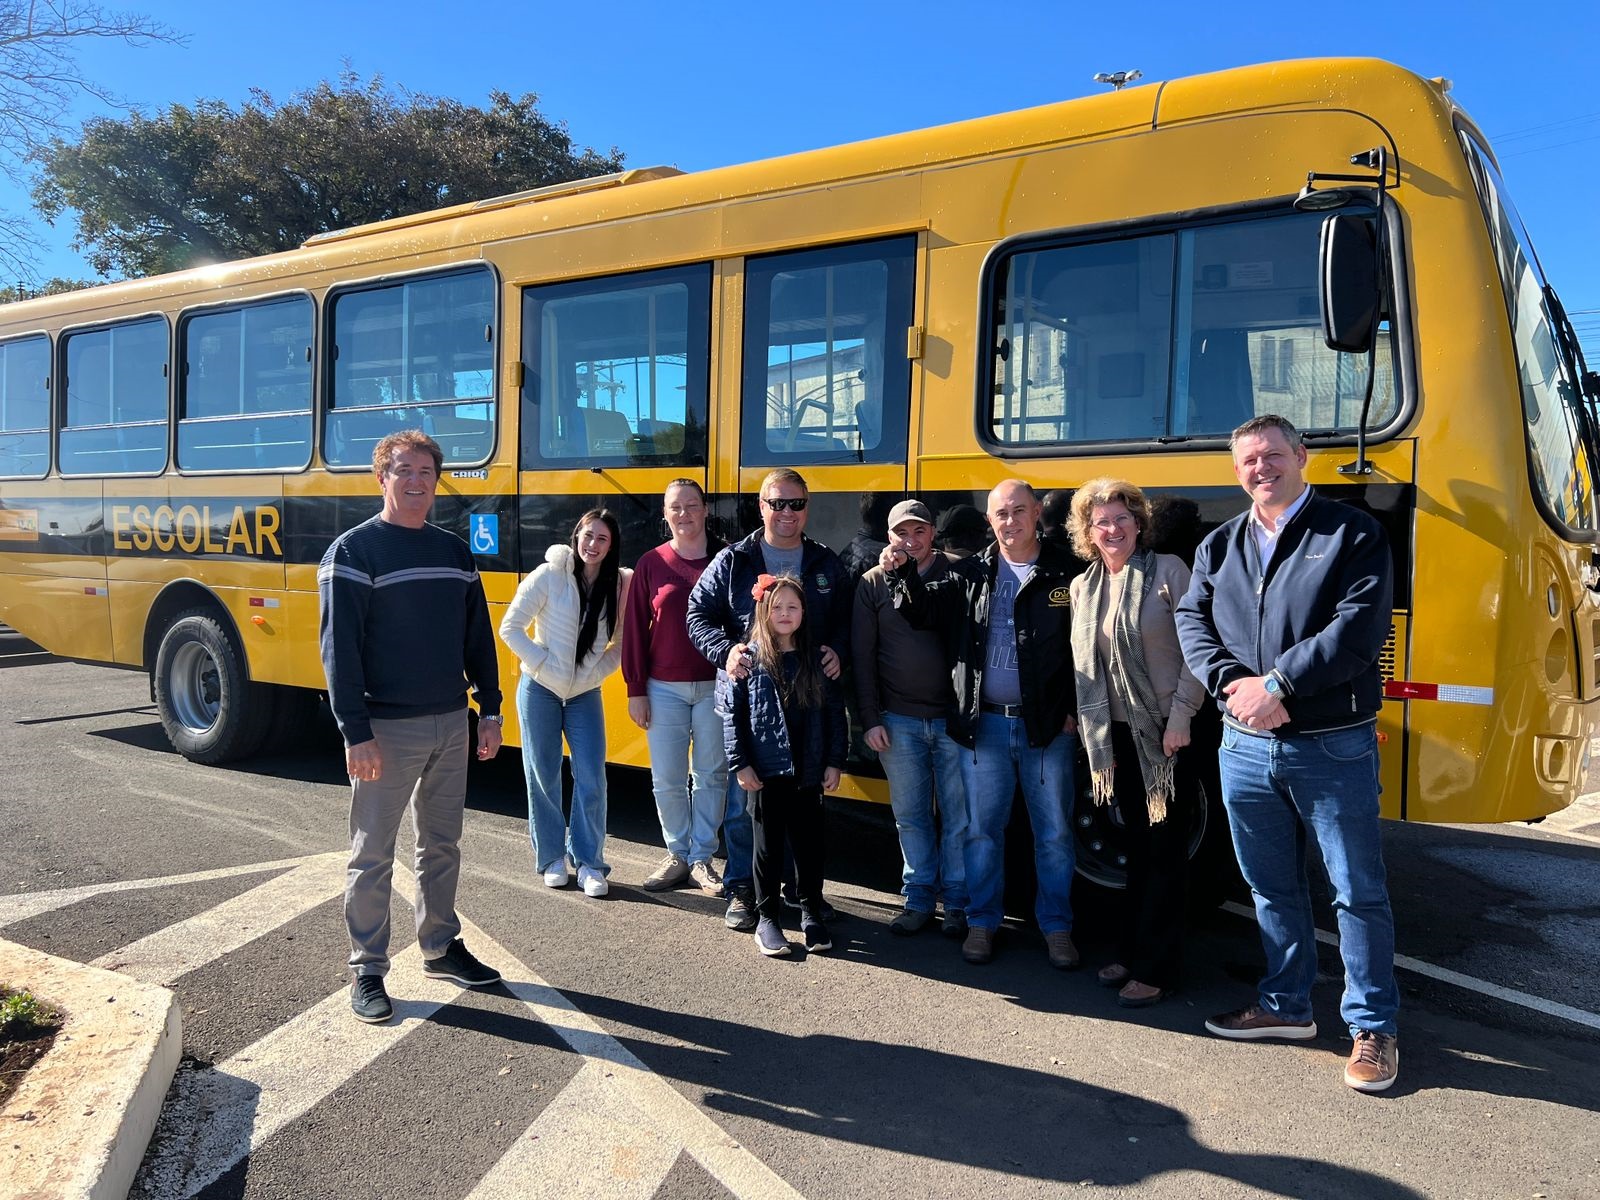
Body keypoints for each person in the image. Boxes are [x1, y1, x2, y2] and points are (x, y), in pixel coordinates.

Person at [1174, 414, 1400, 1093]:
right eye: (1249, 460)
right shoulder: (1220, 543)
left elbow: (1358, 629)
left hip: (1331, 743)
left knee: (1356, 891)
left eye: (1273, 455)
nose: (1261, 468)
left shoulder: (1352, 533)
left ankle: (1373, 1027)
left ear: (1301, 457)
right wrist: (1232, 685)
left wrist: (1277, 685)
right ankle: (1286, 1005)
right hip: (1244, 744)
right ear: (1236, 470)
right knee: (1270, 886)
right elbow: (1192, 619)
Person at [319, 430, 504, 1025]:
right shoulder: (353, 552)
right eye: (404, 470)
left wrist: (490, 710)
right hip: (385, 729)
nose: (417, 481)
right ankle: (368, 968)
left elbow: (477, 637)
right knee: (373, 852)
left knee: (441, 843)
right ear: (382, 478)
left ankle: (440, 946)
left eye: (426, 471)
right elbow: (339, 651)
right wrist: (355, 732)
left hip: (452, 721)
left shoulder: (454, 553)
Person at [881, 479, 1079, 969]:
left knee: (1054, 835)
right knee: (981, 833)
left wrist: (1075, 711)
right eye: (1000, 514)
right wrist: (900, 575)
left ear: (1037, 511)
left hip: (1047, 729)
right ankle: (982, 922)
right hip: (984, 727)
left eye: (1019, 510)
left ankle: (1057, 928)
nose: (1010, 521)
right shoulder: (969, 573)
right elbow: (922, 611)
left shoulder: (1068, 571)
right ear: (989, 520)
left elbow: (1087, 646)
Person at [686, 468, 852, 932]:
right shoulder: (734, 559)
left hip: (806, 708)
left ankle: (799, 892)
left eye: (795, 503)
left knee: (801, 805)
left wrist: (839, 650)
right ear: (761, 507)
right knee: (748, 804)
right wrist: (725, 650)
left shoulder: (824, 562)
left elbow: (847, 619)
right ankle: (744, 890)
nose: (786, 512)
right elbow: (697, 614)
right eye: (777, 503)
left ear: (806, 508)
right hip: (752, 704)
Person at [1067, 478, 1206, 1008]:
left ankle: (1158, 968)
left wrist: (1182, 718)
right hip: (1114, 736)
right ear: (1087, 531)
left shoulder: (1169, 571)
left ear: (1138, 523)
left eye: (1122, 518)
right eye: (1101, 521)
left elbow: (1197, 650)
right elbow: (1086, 667)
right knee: (1137, 852)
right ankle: (1132, 951)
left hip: (1166, 732)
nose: (1112, 529)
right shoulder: (1084, 587)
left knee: (1164, 852)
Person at [500, 510, 632, 899]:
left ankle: (590, 862)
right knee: (543, 775)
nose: (593, 544)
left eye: (602, 539)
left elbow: (621, 644)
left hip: (584, 694)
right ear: (576, 536)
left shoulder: (619, 585)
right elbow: (510, 627)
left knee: (591, 776)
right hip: (539, 688)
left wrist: (593, 673)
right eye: (588, 535)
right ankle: (552, 858)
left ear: (611, 546)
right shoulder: (549, 575)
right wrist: (541, 663)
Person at [853, 499, 969, 938]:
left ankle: (956, 902)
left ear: (933, 533)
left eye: (919, 531)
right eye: (902, 533)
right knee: (911, 815)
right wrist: (870, 719)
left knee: (959, 817)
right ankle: (918, 898)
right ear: (889, 537)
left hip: (954, 721)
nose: (911, 540)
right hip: (898, 720)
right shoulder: (873, 582)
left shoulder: (959, 572)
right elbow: (862, 656)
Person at [722, 573, 848, 957]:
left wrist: (834, 761)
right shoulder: (748, 660)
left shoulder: (817, 658)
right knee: (768, 848)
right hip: (766, 773)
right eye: (777, 607)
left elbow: (834, 714)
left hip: (809, 771)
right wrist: (740, 763)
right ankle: (768, 919)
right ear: (764, 611)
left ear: (804, 612)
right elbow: (732, 717)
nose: (785, 613)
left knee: (809, 846)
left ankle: (811, 912)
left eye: (793, 606)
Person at [622, 480, 728, 895]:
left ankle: (702, 858)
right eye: (675, 508)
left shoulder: (725, 558)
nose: (684, 514)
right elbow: (634, 629)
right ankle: (677, 854)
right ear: (665, 515)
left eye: (691, 505)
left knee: (711, 776)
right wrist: (636, 689)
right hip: (662, 688)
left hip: (715, 686)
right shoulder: (651, 563)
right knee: (667, 778)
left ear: (705, 510)